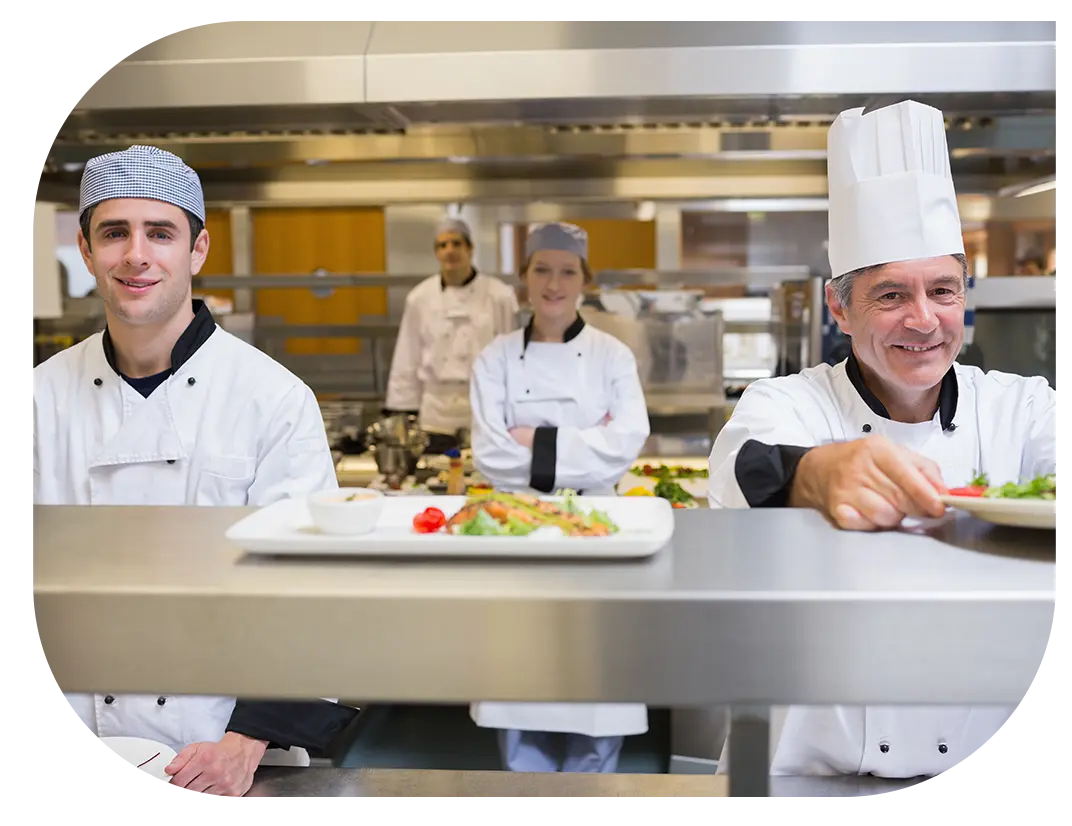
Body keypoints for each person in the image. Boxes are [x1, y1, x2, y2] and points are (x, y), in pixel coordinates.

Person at [707, 101, 1062, 777]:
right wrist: (819, 474)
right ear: (839, 307)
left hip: (993, 773)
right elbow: (744, 464)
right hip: (813, 774)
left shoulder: (1027, 407)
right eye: (892, 295)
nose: (924, 320)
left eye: (943, 290)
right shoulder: (788, 402)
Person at [32, 145, 359, 797]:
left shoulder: (272, 399)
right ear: (87, 249)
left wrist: (244, 744)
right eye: (115, 232)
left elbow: (313, 592)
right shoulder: (35, 401)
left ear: (198, 249)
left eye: (160, 233)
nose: (137, 254)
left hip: (227, 751)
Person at [468, 222, 651, 772]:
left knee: (598, 679)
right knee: (520, 673)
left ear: (584, 280)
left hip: (599, 530)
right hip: (515, 531)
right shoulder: (494, 358)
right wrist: (582, 440)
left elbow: (625, 443)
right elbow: (490, 455)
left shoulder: (612, 356)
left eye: (566, 271)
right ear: (524, 277)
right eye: (541, 269)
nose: (554, 283)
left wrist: (536, 440)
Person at [384, 217, 519, 454]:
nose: (450, 251)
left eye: (456, 243)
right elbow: (408, 355)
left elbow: (513, 356)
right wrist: (402, 410)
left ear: (470, 248)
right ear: (436, 253)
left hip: (483, 405)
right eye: (443, 245)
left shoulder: (500, 296)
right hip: (436, 409)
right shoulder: (419, 298)